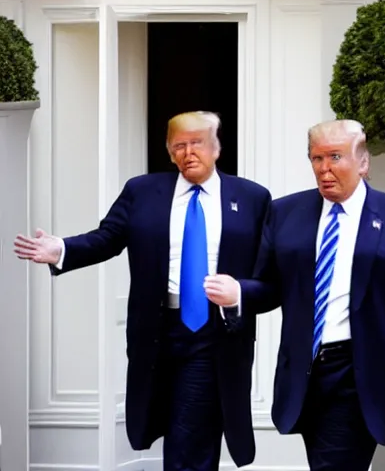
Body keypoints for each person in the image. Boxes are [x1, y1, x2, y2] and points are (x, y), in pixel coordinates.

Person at [14, 111, 271, 471]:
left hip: (214, 331)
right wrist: (63, 249)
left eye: (197, 143)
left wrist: (239, 291)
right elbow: (107, 238)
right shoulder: (143, 191)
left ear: (217, 147)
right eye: (178, 145)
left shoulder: (252, 197)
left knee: (190, 427)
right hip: (158, 329)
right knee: (177, 424)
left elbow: (269, 273)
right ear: (168, 152)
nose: (187, 152)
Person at [204, 119, 385, 471]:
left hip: (359, 372)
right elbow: (271, 287)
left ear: (363, 163)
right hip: (305, 373)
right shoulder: (285, 212)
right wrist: (238, 293)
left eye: (335, 157)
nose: (324, 169)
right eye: (316, 159)